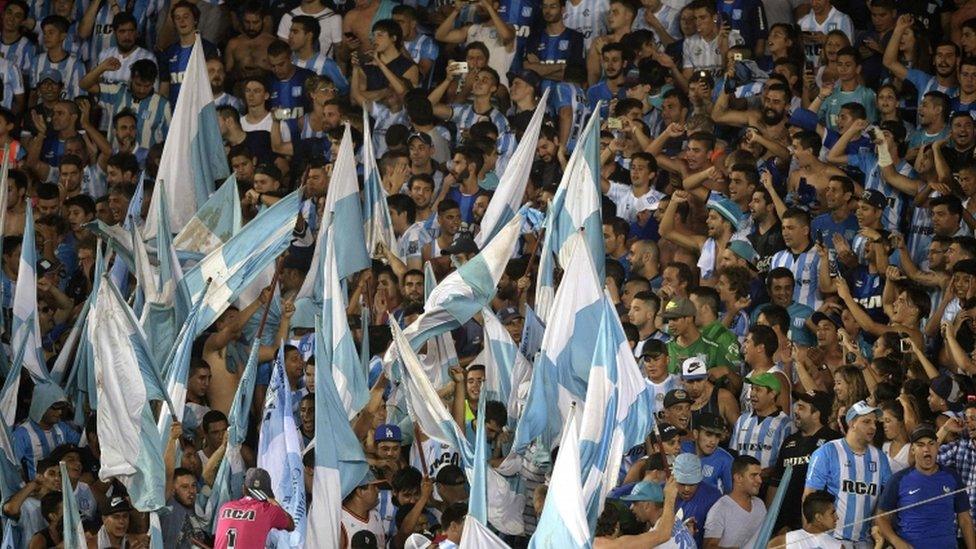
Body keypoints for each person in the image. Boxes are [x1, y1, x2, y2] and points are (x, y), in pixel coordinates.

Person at [805, 400, 893, 545]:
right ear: (852, 423)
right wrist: (812, 541)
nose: (873, 427)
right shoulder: (828, 452)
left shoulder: (880, 458)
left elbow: (888, 497)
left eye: (874, 422)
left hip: (865, 542)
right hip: (831, 540)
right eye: (866, 422)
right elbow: (809, 498)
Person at [877, 424, 976, 549]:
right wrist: (896, 541)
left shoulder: (952, 477)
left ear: (937, 447)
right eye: (920, 445)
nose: (926, 449)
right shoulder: (898, 479)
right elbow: (881, 517)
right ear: (912, 450)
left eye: (931, 444)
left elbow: (965, 519)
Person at [213, 467, 296, 549]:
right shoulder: (269, 510)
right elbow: (291, 526)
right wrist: (274, 503)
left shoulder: (225, 507)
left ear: (243, 488)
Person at [703, 455, 767, 548]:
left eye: (759, 476)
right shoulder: (720, 509)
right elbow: (708, 547)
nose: (760, 481)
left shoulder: (760, 504)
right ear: (738, 478)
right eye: (753, 476)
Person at [767, 490, 844, 549]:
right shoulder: (784, 542)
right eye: (832, 513)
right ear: (819, 517)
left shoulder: (837, 546)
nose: (836, 517)